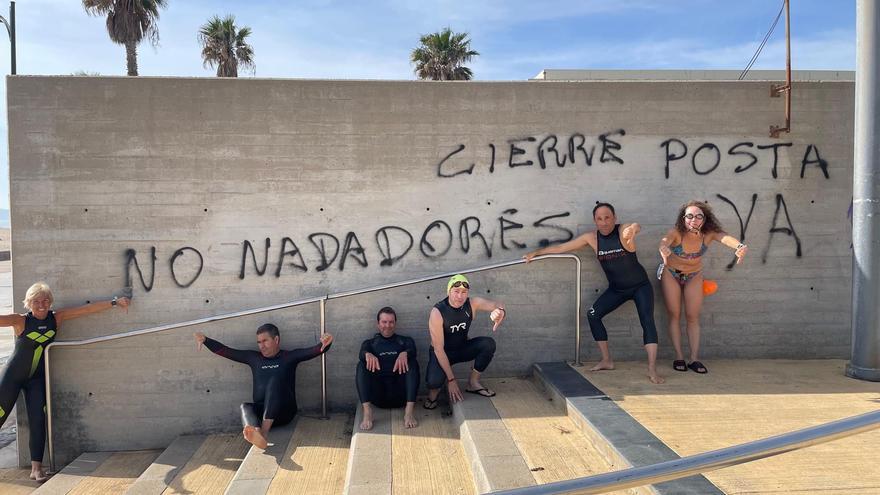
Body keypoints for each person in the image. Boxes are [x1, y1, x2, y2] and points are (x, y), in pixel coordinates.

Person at [0, 282, 130, 482]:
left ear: (50, 302)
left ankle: (36, 468)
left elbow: (85, 310)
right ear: (29, 303)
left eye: (45, 300)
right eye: (36, 301)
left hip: (36, 379)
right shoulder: (20, 321)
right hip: (12, 378)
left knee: (38, 420)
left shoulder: (56, 317)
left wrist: (114, 303)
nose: (41, 305)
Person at [525, 202, 665, 384]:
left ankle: (652, 369)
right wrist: (536, 253)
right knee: (593, 315)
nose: (604, 222)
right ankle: (607, 360)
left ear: (614, 218)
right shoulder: (592, 238)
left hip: (640, 286)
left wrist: (633, 230)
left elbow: (634, 226)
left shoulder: (622, 231)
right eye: (599, 219)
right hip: (617, 289)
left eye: (607, 218)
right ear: (595, 221)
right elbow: (561, 248)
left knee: (647, 320)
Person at [194, 325, 333, 449]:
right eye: (259, 342)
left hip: (285, 412)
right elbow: (226, 351)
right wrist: (206, 340)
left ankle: (264, 434)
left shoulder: (289, 357)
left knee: (274, 381)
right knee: (245, 406)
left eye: (265, 341)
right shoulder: (253, 358)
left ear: (276, 340)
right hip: (262, 412)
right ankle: (255, 432)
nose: (261, 346)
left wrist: (326, 342)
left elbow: (316, 350)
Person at [658, 200, 747, 374]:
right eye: (689, 216)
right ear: (683, 219)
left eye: (699, 216)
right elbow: (665, 241)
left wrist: (739, 246)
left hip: (694, 275)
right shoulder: (677, 233)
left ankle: (694, 359)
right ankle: (678, 356)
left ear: (704, 219)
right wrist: (663, 248)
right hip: (671, 274)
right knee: (674, 314)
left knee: (692, 316)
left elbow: (724, 237)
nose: (694, 220)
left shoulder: (708, 234)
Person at [424, 274, 506, 409]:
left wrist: (500, 311)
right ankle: (434, 395)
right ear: (449, 291)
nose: (460, 296)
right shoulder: (438, 311)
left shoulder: (472, 303)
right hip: (441, 353)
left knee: (488, 344)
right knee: (434, 383)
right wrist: (451, 380)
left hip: (461, 348)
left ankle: (473, 383)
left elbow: (497, 304)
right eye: (456, 291)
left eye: (464, 292)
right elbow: (438, 349)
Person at [356, 306, 419, 430]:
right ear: (378, 324)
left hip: (401, 396)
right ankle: (367, 412)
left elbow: (413, 350)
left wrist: (405, 353)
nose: (388, 325)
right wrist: (367, 354)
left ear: (395, 323)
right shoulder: (370, 344)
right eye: (384, 322)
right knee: (361, 365)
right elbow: (361, 353)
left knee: (412, 362)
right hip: (378, 397)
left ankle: (409, 412)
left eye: (391, 322)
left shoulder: (405, 341)